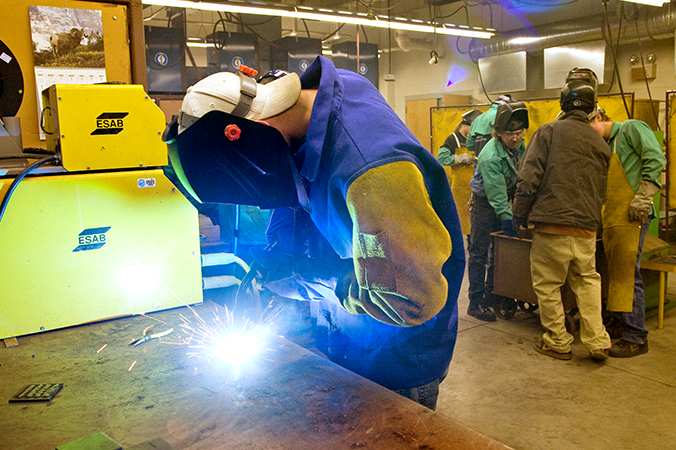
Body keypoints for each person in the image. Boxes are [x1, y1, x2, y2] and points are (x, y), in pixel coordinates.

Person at [164, 57, 465, 410]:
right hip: (347, 336)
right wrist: (277, 257)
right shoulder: (316, 105)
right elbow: (302, 185)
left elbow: (410, 301)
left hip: (391, 360)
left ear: (251, 130)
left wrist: (325, 280)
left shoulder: (372, 176)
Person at [512, 68, 611, 361]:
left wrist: (519, 215)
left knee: (547, 283)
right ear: (592, 109)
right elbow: (600, 189)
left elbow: (528, 178)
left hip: (551, 224)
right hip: (586, 228)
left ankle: (557, 340)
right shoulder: (599, 143)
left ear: (562, 104)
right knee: (588, 281)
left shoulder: (549, 132)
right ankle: (597, 341)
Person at [589, 108, 666, 358]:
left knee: (627, 276)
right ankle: (621, 324)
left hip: (633, 215)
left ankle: (636, 337)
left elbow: (656, 159)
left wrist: (643, 197)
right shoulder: (603, 145)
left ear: (598, 118)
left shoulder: (631, 128)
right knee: (616, 273)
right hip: (613, 217)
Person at [466, 102, 528, 322]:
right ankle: (475, 302)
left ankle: (494, 294)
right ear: (499, 133)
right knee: (479, 253)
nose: (516, 138)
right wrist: (508, 219)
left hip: (503, 201)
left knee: (499, 253)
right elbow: (496, 195)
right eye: (510, 134)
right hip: (484, 206)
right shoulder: (490, 156)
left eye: (519, 133)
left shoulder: (518, 147)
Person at [437, 108, 481, 239]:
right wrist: (460, 158)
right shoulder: (452, 139)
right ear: (465, 125)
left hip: (476, 186)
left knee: (476, 224)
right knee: (463, 223)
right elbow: (441, 158)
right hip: (460, 190)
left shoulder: (475, 139)